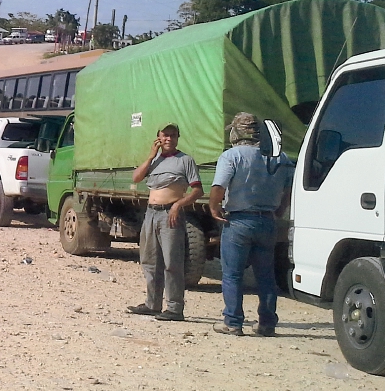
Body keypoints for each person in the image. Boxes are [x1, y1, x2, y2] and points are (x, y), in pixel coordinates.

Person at [209, 113, 295, 337]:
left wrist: (213, 207)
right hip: (267, 221)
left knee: (232, 274)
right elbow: (288, 188)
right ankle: (267, 323)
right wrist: (279, 209)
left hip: (238, 221)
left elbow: (219, 186)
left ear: (236, 133)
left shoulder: (231, 156)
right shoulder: (280, 158)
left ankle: (233, 321)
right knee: (266, 276)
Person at [126, 124, 202, 321]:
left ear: (178, 138)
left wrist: (178, 205)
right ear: (158, 138)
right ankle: (152, 304)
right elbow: (136, 177)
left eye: (173, 135)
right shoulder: (155, 161)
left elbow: (197, 190)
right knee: (150, 261)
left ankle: (175, 308)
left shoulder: (185, 160)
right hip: (151, 214)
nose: (169, 139)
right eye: (165, 135)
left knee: (172, 262)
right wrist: (151, 155)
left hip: (170, 214)